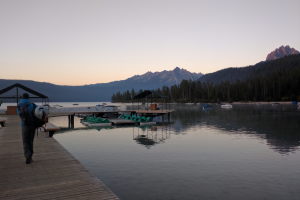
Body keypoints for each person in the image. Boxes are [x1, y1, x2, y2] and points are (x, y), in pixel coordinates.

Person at [17, 93, 37, 164]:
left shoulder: (19, 105)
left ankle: (27, 156)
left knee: (25, 141)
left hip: (24, 125)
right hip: (32, 125)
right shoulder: (32, 104)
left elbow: (18, 114)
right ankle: (30, 157)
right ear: (28, 98)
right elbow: (37, 114)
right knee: (30, 141)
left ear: (22, 97)